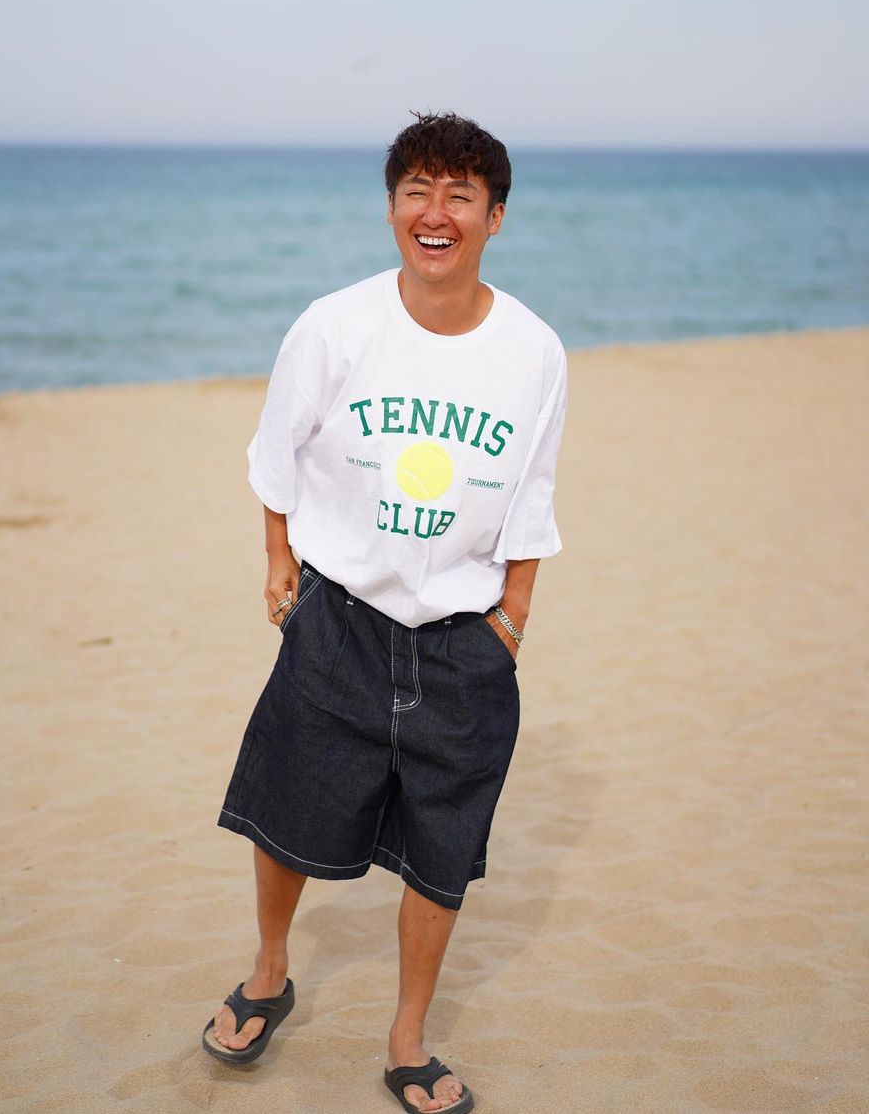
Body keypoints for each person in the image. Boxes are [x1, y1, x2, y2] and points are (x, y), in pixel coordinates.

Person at [201, 111, 569, 1114]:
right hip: (341, 621)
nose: (434, 213)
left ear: (495, 216)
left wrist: (512, 618)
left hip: (463, 640)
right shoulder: (335, 326)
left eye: (459, 196)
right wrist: (278, 560)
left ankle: (408, 1039)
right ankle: (269, 972)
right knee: (288, 811)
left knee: (443, 850)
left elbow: (532, 493)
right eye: (416, 192)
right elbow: (275, 454)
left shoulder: (534, 350)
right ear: (392, 207)